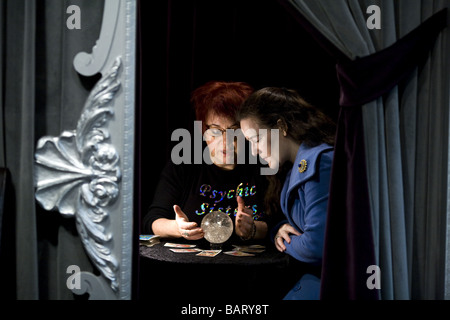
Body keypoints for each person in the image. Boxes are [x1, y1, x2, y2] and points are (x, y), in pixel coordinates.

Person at [142, 81, 269, 247]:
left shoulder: (263, 164)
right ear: (203, 130)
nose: (226, 141)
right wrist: (178, 228)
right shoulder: (183, 165)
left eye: (234, 130)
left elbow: (278, 224)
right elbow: (152, 220)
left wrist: (252, 229)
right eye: (215, 130)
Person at [237, 87, 335, 300]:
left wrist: (280, 239)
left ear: (280, 126)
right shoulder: (295, 168)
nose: (254, 151)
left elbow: (315, 247)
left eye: (256, 140)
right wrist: (279, 229)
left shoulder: (320, 162)